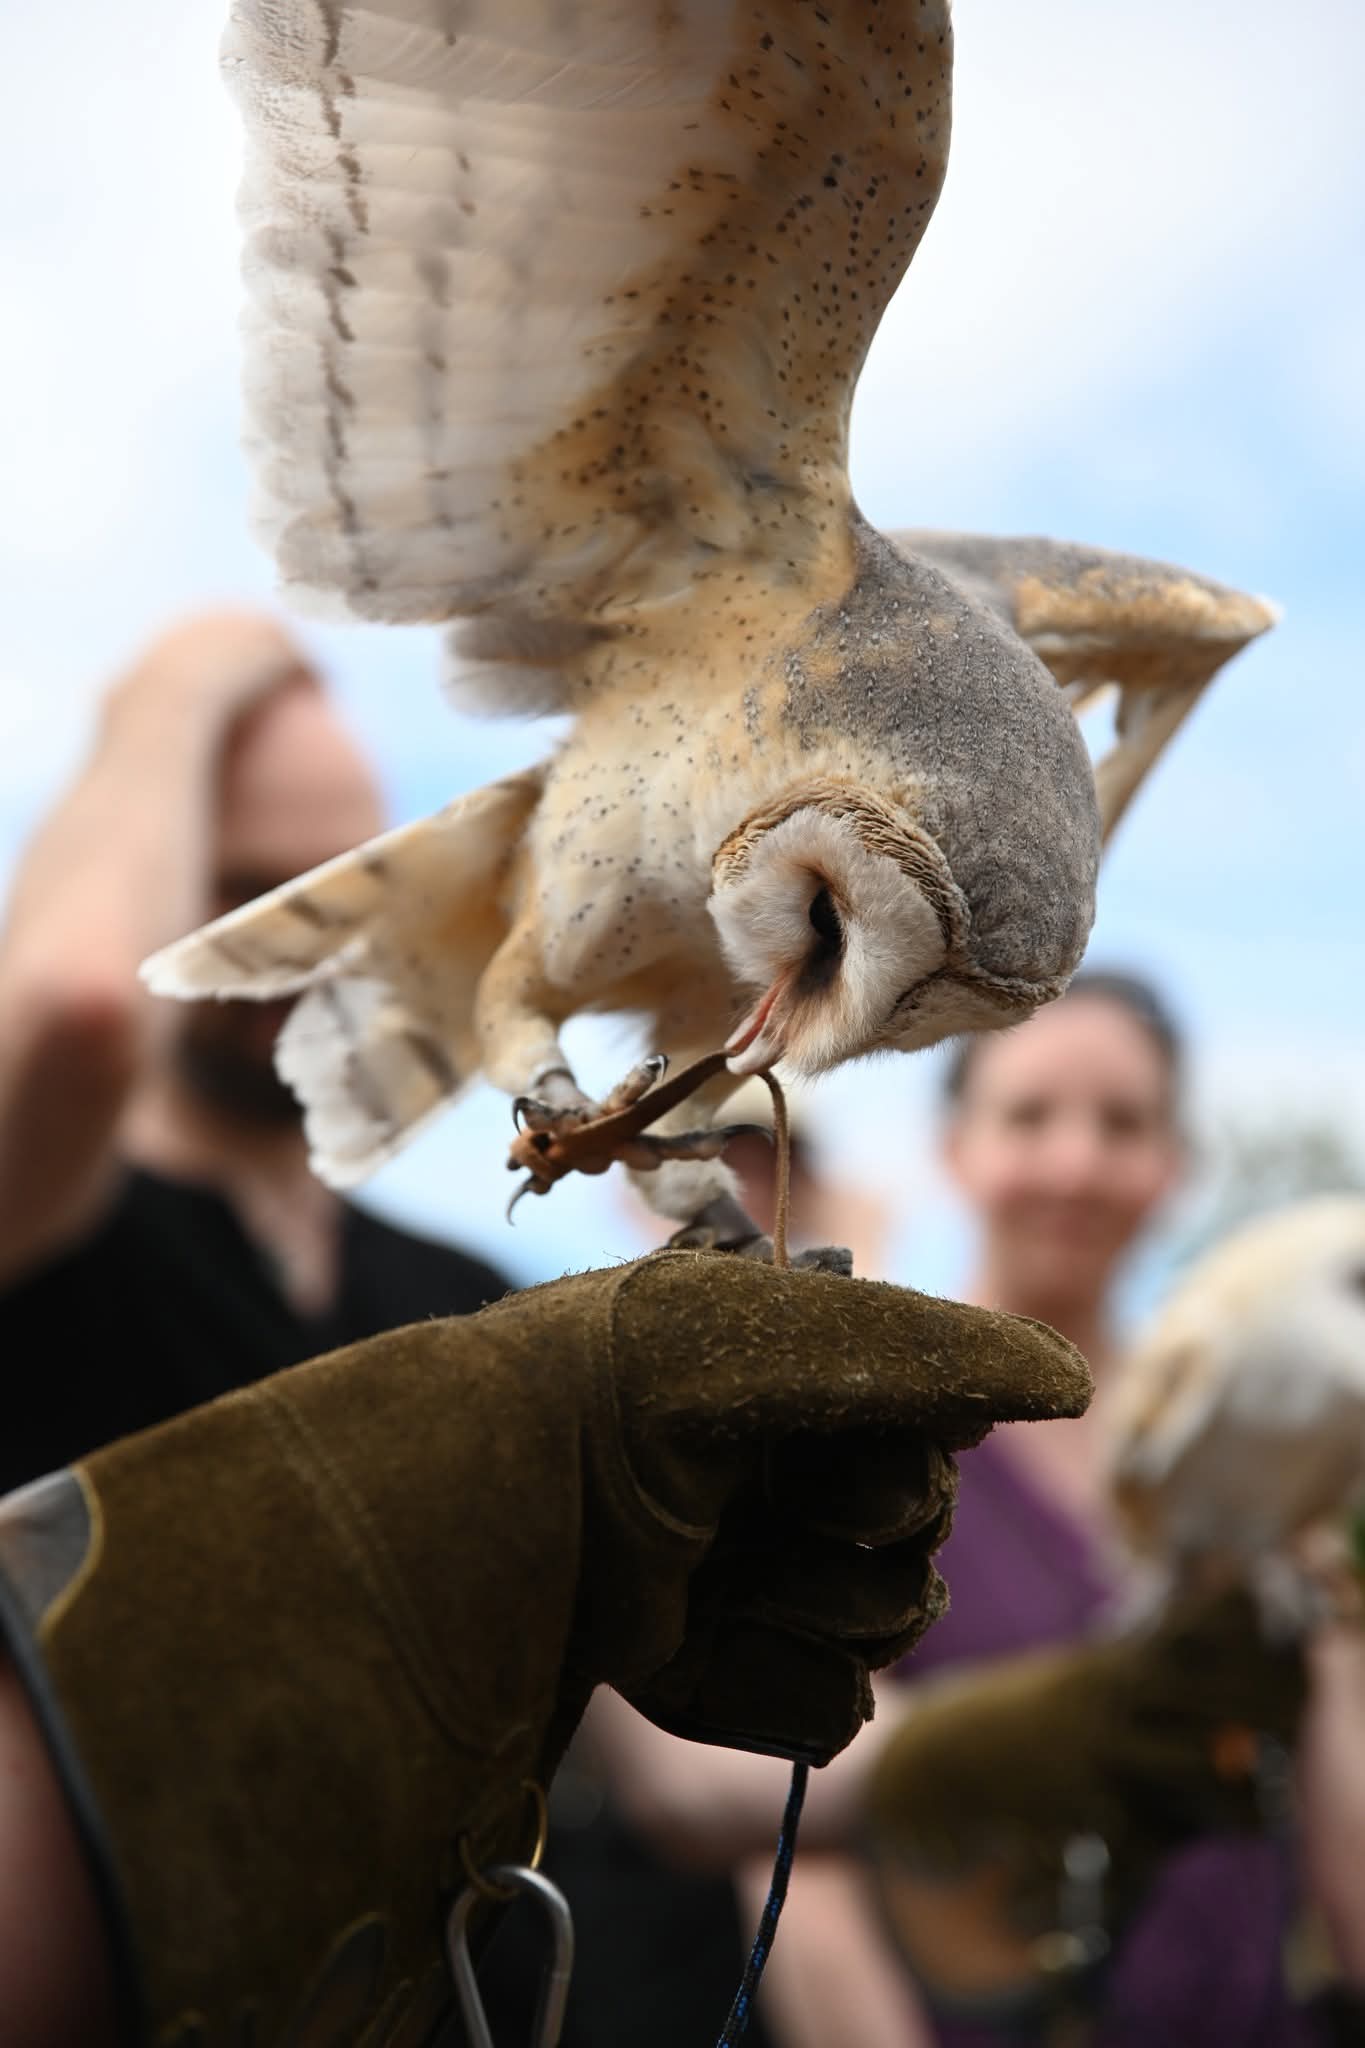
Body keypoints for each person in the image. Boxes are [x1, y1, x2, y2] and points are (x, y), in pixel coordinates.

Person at [0, 1243, 1092, 2044]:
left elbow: (694, 1772)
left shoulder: (442, 1278)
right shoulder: (58, 1237)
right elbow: (81, 1009)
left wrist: (1016, 1749)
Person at [582, 973, 1365, 2045]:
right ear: (952, 1147)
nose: (1076, 1161)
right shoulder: (868, 1431)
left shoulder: (1243, 1445)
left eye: (1124, 1122)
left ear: (1176, 1163)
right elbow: (788, 1834)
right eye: (1029, 1115)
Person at [0, 612, 510, 1493]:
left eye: (348, 892)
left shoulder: (469, 1305)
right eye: (249, 896)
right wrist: (169, 690)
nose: (305, 950)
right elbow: (80, 1006)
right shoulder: (45, 1241)